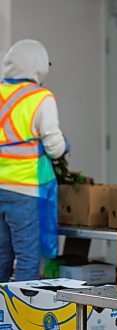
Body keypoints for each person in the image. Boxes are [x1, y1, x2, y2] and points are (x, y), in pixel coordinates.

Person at [0, 39, 67, 282]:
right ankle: (21, 315)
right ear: (38, 66)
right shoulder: (40, 98)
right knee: (27, 257)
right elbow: (55, 147)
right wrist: (64, 146)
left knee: (2, 256)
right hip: (24, 188)